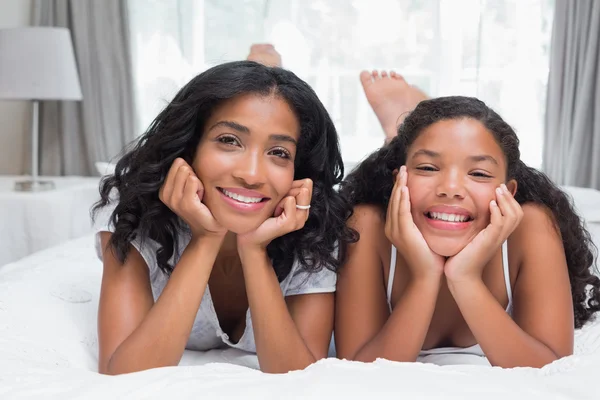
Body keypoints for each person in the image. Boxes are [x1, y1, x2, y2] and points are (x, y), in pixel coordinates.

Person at [92, 60, 357, 375]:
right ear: (189, 148)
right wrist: (206, 239)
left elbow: (297, 378)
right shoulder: (131, 209)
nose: (251, 175)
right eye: (229, 140)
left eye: (279, 153)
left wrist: (255, 251)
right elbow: (123, 376)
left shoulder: (312, 224)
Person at [335, 95, 600, 368]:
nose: (450, 188)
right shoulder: (366, 225)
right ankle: (395, 129)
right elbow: (358, 369)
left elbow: (552, 369)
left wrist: (465, 278)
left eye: (479, 173)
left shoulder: (532, 226)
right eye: (427, 167)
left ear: (508, 192)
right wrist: (425, 277)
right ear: (397, 181)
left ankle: (398, 127)